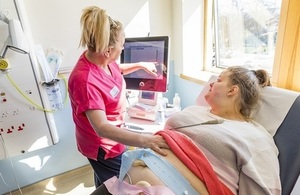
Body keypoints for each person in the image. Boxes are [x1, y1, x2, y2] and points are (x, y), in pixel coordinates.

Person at [91, 66, 281, 195]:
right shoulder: (197, 111)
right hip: (125, 182)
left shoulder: (255, 136)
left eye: (220, 80)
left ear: (233, 90)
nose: (212, 83)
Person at [68, 6, 169, 189]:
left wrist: (140, 64)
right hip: (103, 146)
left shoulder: (102, 60)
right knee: (121, 184)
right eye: (121, 47)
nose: (123, 49)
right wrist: (146, 140)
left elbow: (115, 70)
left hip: (114, 137)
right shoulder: (85, 81)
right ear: (107, 50)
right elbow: (102, 128)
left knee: (105, 179)